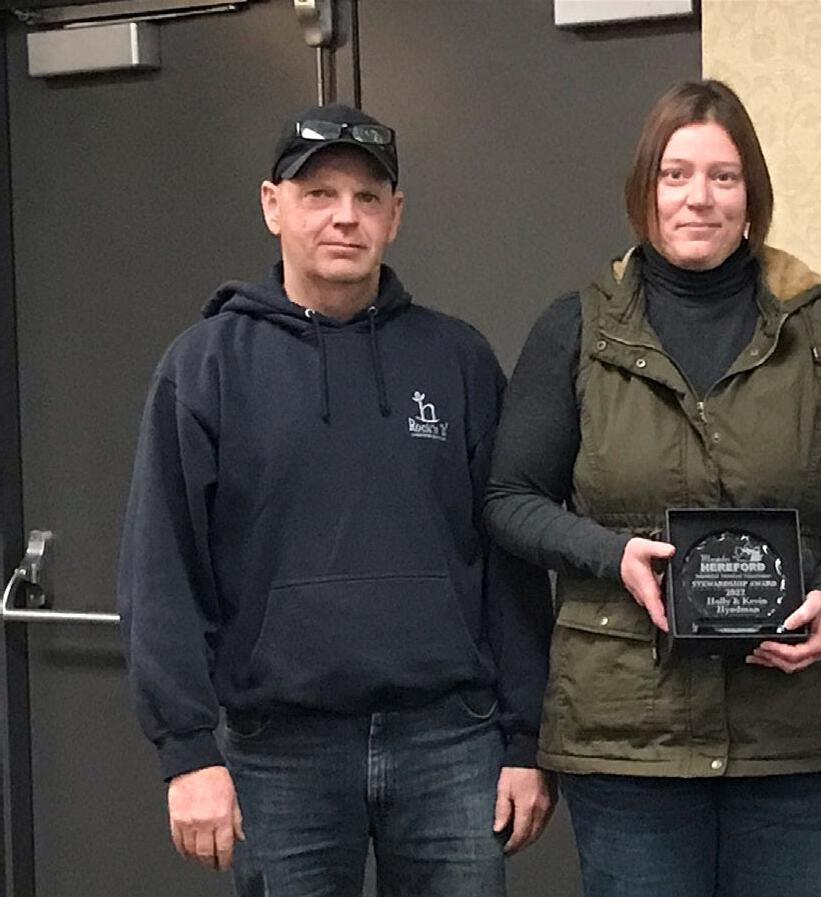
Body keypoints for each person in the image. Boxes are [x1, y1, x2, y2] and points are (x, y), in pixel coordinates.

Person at [485, 79, 821, 897]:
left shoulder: (820, 324)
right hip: (627, 731)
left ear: (752, 195)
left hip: (795, 730)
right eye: (675, 174)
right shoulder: (575, 327)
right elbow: (510, 498)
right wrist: (611, 553)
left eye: (723, 176)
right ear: (643, 191)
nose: (698, 197)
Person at [118, 103, 555, 897]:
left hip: (450, 742)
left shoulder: (458, 359)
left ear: (395, 215)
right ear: (272, 205)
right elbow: (161, 568)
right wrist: (187, 751)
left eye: (367, 197)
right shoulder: (206, 365)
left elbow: (510, 561)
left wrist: (526, 740)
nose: (345, 217)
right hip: (279, 750)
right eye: (319, 194)